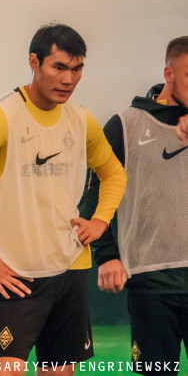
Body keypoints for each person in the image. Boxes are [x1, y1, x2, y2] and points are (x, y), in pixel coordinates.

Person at [0, 23, 127, 376]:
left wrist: (101, 220)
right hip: (16, 276)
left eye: (77, 69)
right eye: (59, 67)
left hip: (71, 271)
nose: (68, 79)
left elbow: (114, 174)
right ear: (34, 62)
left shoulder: (81, 119)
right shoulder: (1, 117)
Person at [80, 36, 188, 375]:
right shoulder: (124, 126)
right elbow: (93, 196)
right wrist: (107, 255)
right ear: (169, 74)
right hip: (151, 285)